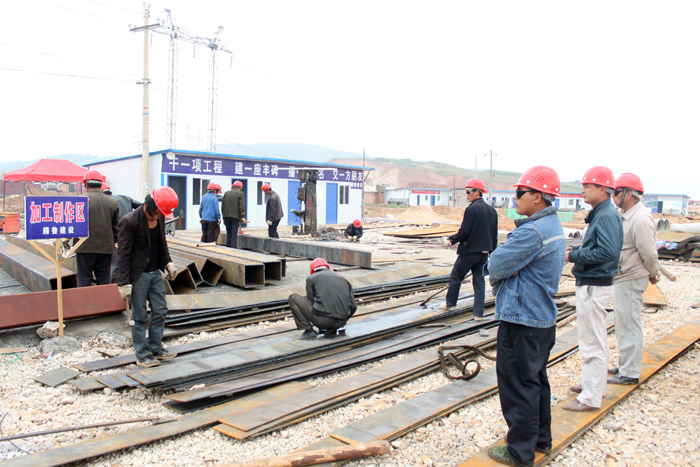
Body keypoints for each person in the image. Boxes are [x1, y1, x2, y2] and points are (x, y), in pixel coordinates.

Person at [486, 166, 566, 467]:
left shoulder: (533, 231)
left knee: (518, 385)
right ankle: (540, 440)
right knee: (535, 381)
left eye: (520, 192)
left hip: (522, 320)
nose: (515, 198)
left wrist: (507, 266)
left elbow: (495, 265)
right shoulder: (552, 225)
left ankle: (520, 453)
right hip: (541, 319)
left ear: (537, 196)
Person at [564, 166, 623, 412]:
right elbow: (601, 246)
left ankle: (590, 397)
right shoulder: (602, 212)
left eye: (587, 186)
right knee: (592, 339)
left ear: (602, 189)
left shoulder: (606, 215)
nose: (583, 191)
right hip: (593, 283)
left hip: (594, 285)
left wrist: (574, 256)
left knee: (592, 341)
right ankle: (593, 385)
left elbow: (608, 252)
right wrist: (578, 251)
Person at [117, 187, 179, 368]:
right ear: (149, 206)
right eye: (158, 213)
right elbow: (123, 254)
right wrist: (123, 282)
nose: (159, 217)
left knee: (160, 310)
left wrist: (168, 263)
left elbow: (162, 244)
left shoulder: (159, 219)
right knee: (139, 315)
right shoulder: (129, 222)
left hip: (155, 273)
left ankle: (156, 348)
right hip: (138, 275)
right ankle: (142, 354)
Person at [609, 173, 660, 386]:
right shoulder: (628, 215)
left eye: (616, 192)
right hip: (624, 276)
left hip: (631, 276)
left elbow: (649, 252)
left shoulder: (640, 219)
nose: (613, 196)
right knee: (624, 323)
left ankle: (629, 372)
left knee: (630, 324)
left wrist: (653, 273)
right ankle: (624, 364)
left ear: (629, 194)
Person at [440, 178, 498, 319]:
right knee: (479, 282)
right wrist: (492, 252)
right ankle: (478, 313)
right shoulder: (492, 211)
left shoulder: (471, 209)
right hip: (483, 254)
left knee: (456, 276)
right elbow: (494, 234)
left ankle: (450, 304)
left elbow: (465, 231)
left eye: (468, 191)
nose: (466, 195)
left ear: (477, 192)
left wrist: (451, 239)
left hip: (469, 252)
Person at [288, 258, 358, 339]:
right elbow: (353, 306)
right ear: (327, 267)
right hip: (341, 322)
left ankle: (309, 331)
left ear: (313, 270)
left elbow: (311, 300)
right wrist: (343, 318)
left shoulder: (312, 278)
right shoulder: (344, 280)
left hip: (322, 322)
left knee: (293, 298)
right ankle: (331, 329)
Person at [75, 170, 119, 287]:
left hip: (84, 247)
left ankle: (85, 300)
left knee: (84, 280)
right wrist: (115, 242)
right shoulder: (113, 202)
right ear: (101, 185)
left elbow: (74, 225)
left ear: (86, 185)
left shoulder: (79, 200)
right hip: (106, 248)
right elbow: (115, 227)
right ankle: (103, 299)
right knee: (104, 280)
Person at [103, 184, 143, 283]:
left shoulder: (105, 202)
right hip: (131, 235)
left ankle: (114, 287)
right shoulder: (125, 198)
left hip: (116, 237)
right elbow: (143, 207)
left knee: (116, 264)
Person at [222, 180, 246, 248]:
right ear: (239, 187)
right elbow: (242, 206)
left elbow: (223, 206)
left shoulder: (226, 193)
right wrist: (242, 216)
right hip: (235, 217)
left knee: (228, 232)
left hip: (226, 216)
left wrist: (224, 216)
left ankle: (228, 246)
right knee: (234, 233)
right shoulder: (240, 194)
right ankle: (233, 248)